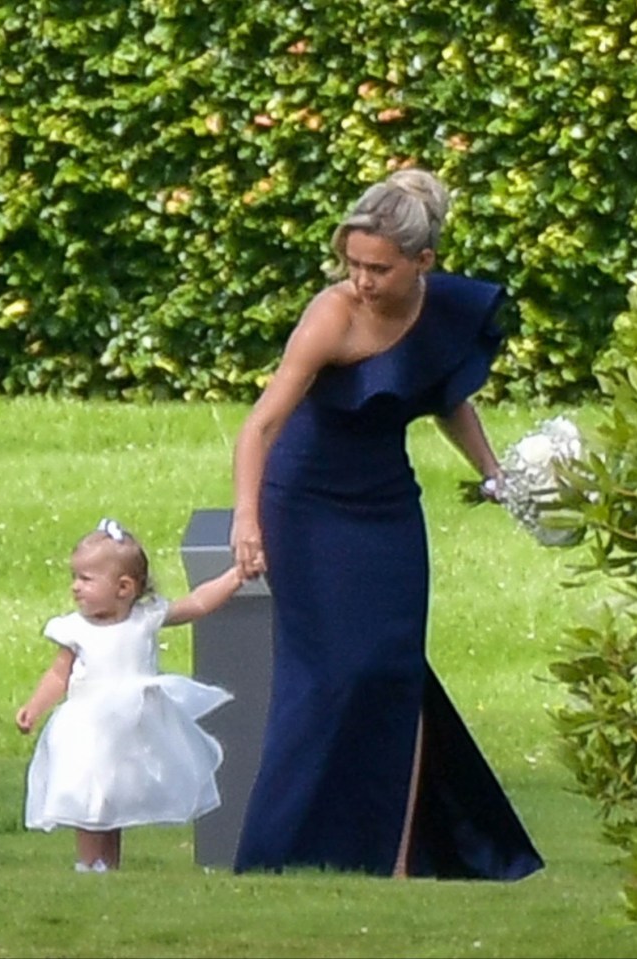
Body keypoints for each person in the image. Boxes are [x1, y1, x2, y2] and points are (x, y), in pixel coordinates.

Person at [229, 168, 544, 880]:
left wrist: (495, 473)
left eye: (378, 267)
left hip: (385, 504)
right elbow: (261, 425)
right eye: (352, 264)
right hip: (304, 500)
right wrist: (247, 518)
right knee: (328, 676)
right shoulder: (331, 315)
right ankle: (279, 852)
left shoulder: (442, 310)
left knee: (392, 668)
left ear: (422, 263)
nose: (361, 280)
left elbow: (444, 397)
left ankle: (395, 860)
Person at [15, 517, 243, 873]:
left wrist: (235, 577)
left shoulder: (145, 618)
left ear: (123, 587)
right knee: (87, 793)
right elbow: (59, 674)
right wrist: (35, 707)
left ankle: (110, 865)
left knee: (114, 797)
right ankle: (88, 863)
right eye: (75, 577)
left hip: (132, 727)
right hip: (88, 726)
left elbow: (197, 604)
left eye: (86, 579)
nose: (76, 587)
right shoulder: (75, 629)